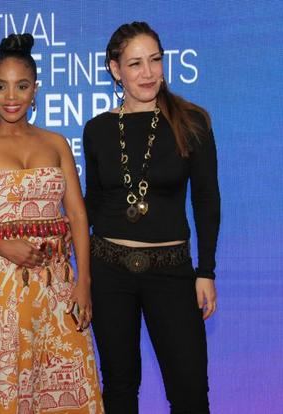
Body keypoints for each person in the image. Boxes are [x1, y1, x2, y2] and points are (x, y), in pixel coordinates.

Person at [0, 33, 104, 414]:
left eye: (21, 86)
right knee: (3, 389)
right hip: (1, 290)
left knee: (64, 389)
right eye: (1, 86)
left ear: (35, 89)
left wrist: (83, 282)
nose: (11, 96)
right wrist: (1, 245)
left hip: (58, 286)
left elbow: (79, 215)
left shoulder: (57, 143)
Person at [83, 21, 220, 413]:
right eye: (136, 63)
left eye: (155, 60)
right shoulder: (98, 129)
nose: (148, 73)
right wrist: (62, 238)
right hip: (109, 270)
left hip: (172, 271)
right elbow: (93, 204)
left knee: (190, 390)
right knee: (120, 388)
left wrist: (206, 271)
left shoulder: (192, 122)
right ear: (115, 69)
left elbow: (207, 201)